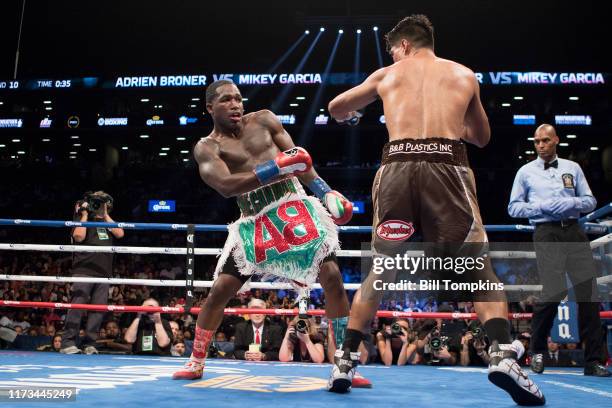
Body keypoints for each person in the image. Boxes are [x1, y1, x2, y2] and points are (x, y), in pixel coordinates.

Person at [326, 14, 545, 405]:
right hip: (448, 166)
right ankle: (502, 354)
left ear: (405, 46)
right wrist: (449, 121)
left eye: (394, 51)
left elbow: (337, 106)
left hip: (396, 168)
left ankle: (344, 361)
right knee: (477, 268)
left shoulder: (385, 75)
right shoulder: (464, 74)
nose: (394, 58)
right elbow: (481, 137)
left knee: (383, 268)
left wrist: (353, 114)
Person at [173, 80, 369, 388]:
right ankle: (196, 361)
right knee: (220, 291)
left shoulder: (264, 119)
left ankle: (344, 364)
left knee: (332, 276)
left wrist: (327, 192)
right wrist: (273, 168)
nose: (236, 104)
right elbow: (225, 186)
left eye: (238, 98)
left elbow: (300, 162)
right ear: (210, 107)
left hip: (295, 208)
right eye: (226, 100)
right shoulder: (207, 147)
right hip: (255, 220)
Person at [508, 123, 610, 377]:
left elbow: (590, 201)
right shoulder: (525, 172)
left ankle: (595, 361)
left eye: (545, 140)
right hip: (546, 232)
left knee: (588, 294)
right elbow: (514, 208)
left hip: (574, 231)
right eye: (537, 141)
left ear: (556, 141)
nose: (540, 145)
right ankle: (538, 352)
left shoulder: (572, 168)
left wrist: (567, 203)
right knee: (553, 292)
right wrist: (543, 207)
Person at [60, 191, 124, 355]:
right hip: (84, 271)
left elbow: (120, 233)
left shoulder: (106, 223)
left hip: (104, 273)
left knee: (98, 310)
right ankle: (67, 343)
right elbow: (79, 237)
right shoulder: (82, 221)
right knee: (77, 307)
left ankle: (90, 343)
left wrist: (105, 214)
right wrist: (84, 214)